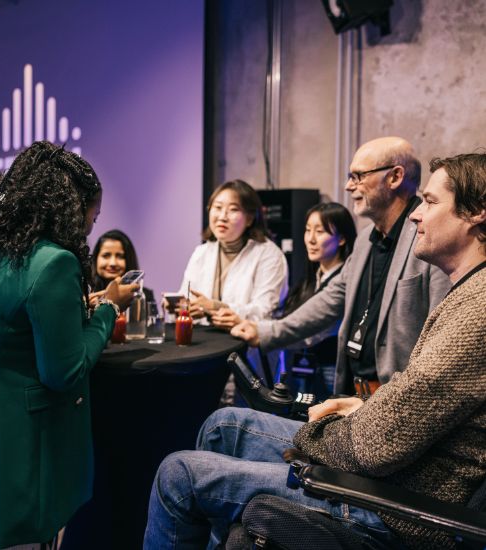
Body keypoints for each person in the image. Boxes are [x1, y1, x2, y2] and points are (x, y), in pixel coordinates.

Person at [143, 152, 486, 550]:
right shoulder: (451, 284)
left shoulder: (476, 311)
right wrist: (364, 408)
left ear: (476, 212)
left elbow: (380, 443)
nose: (417, 215)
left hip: (398, 501)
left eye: (429, 201)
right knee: (223, 426)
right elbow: (419, 401)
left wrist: (316, 436)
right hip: (390, 453)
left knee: (178, 474)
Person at [0, 141, 138, 549]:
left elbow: (0, 328)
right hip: (16, 448)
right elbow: (63, 371)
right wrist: (109, 309)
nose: (90, 228)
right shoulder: (53, 262)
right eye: (92, 216)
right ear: (69, 208)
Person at [233, 137, 451, 395]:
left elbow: (442, 338)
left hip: (395, 399)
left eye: (358, 176)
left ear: (395, 177)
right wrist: (266, 332)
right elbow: (330, 299)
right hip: (351, 391)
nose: (349, 186)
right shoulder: (365, 240)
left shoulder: (429, 239)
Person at [178, 179, 288, 327]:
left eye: (233, 209)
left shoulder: (269, 255)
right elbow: (187, 297)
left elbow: (263, 311)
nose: (222, 216)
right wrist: (179, 306)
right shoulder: (202, 253)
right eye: (218, 207)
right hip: (203, 338)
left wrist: (215, 307)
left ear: (250, 219)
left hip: (245, 339)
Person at [277, 202, 356, 399]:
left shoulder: (346, 281)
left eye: (320, 232)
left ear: (341, 239)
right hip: (303, 365)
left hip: (330, 366)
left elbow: (313, 332)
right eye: (307, 230)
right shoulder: (311, 278)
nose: (311, 239)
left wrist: (267, 334)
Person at [89, 228, 155, 305]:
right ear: (95, 258)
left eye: (120, 256)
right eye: (106, 255)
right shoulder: (85, 293)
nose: (113, 263)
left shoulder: (144, 296)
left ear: (129, 259)